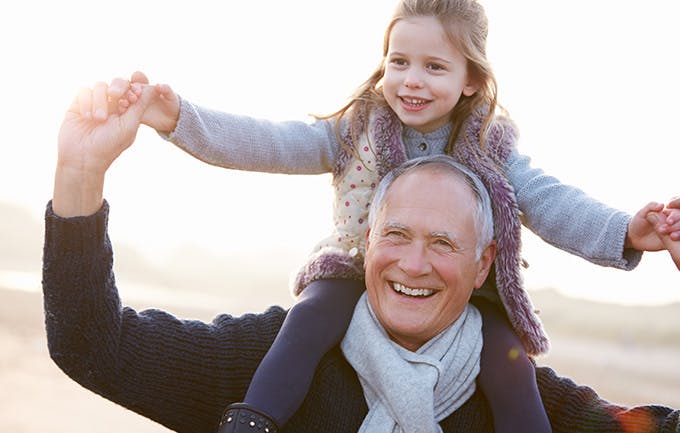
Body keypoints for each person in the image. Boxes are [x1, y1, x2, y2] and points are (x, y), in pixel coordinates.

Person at [107, 0, 680, 431]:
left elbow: (554, 202)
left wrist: (624, 231)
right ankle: (255, 417)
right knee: (306, 322)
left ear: (471, 81)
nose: (410, 79)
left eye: (435, 66)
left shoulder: (490, 145)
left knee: (510, 366)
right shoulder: (355, 129)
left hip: (466, 288)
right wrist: (178, 117)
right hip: (357, 265)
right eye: (398, 61)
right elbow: (268, 142)